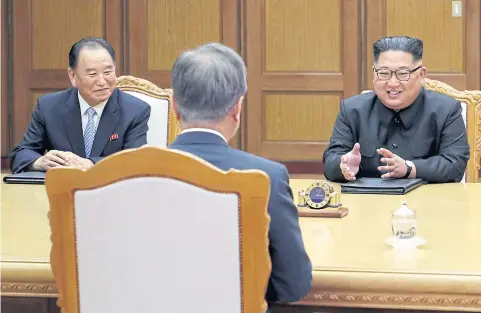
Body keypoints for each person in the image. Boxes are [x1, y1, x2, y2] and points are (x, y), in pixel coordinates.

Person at [168, 43, 312, 304]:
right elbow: (294, 285)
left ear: (174, 106)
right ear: (237, 109)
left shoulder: (121, 178)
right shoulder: (266, 176)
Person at [323, 36, 469, 183]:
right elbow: (331, 160)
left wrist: (409, 168)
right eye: (384, 73)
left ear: (421, 74)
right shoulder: (351, 110)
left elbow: (455, 164)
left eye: (403, 74)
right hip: (367, 200)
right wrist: (343, 166)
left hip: (427, 201)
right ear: (374, 73)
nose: (392, 83)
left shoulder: (447, 110)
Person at [9, 37, 151, 173]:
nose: (102, 81)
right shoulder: (48, 107)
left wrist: (90, 164)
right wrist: (39, 162)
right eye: (92, 74)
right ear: (72, 76)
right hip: (61, 191)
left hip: (111, 192)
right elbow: (20, 155)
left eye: (108, 72)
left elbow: (135, 162)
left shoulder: (135, 110)